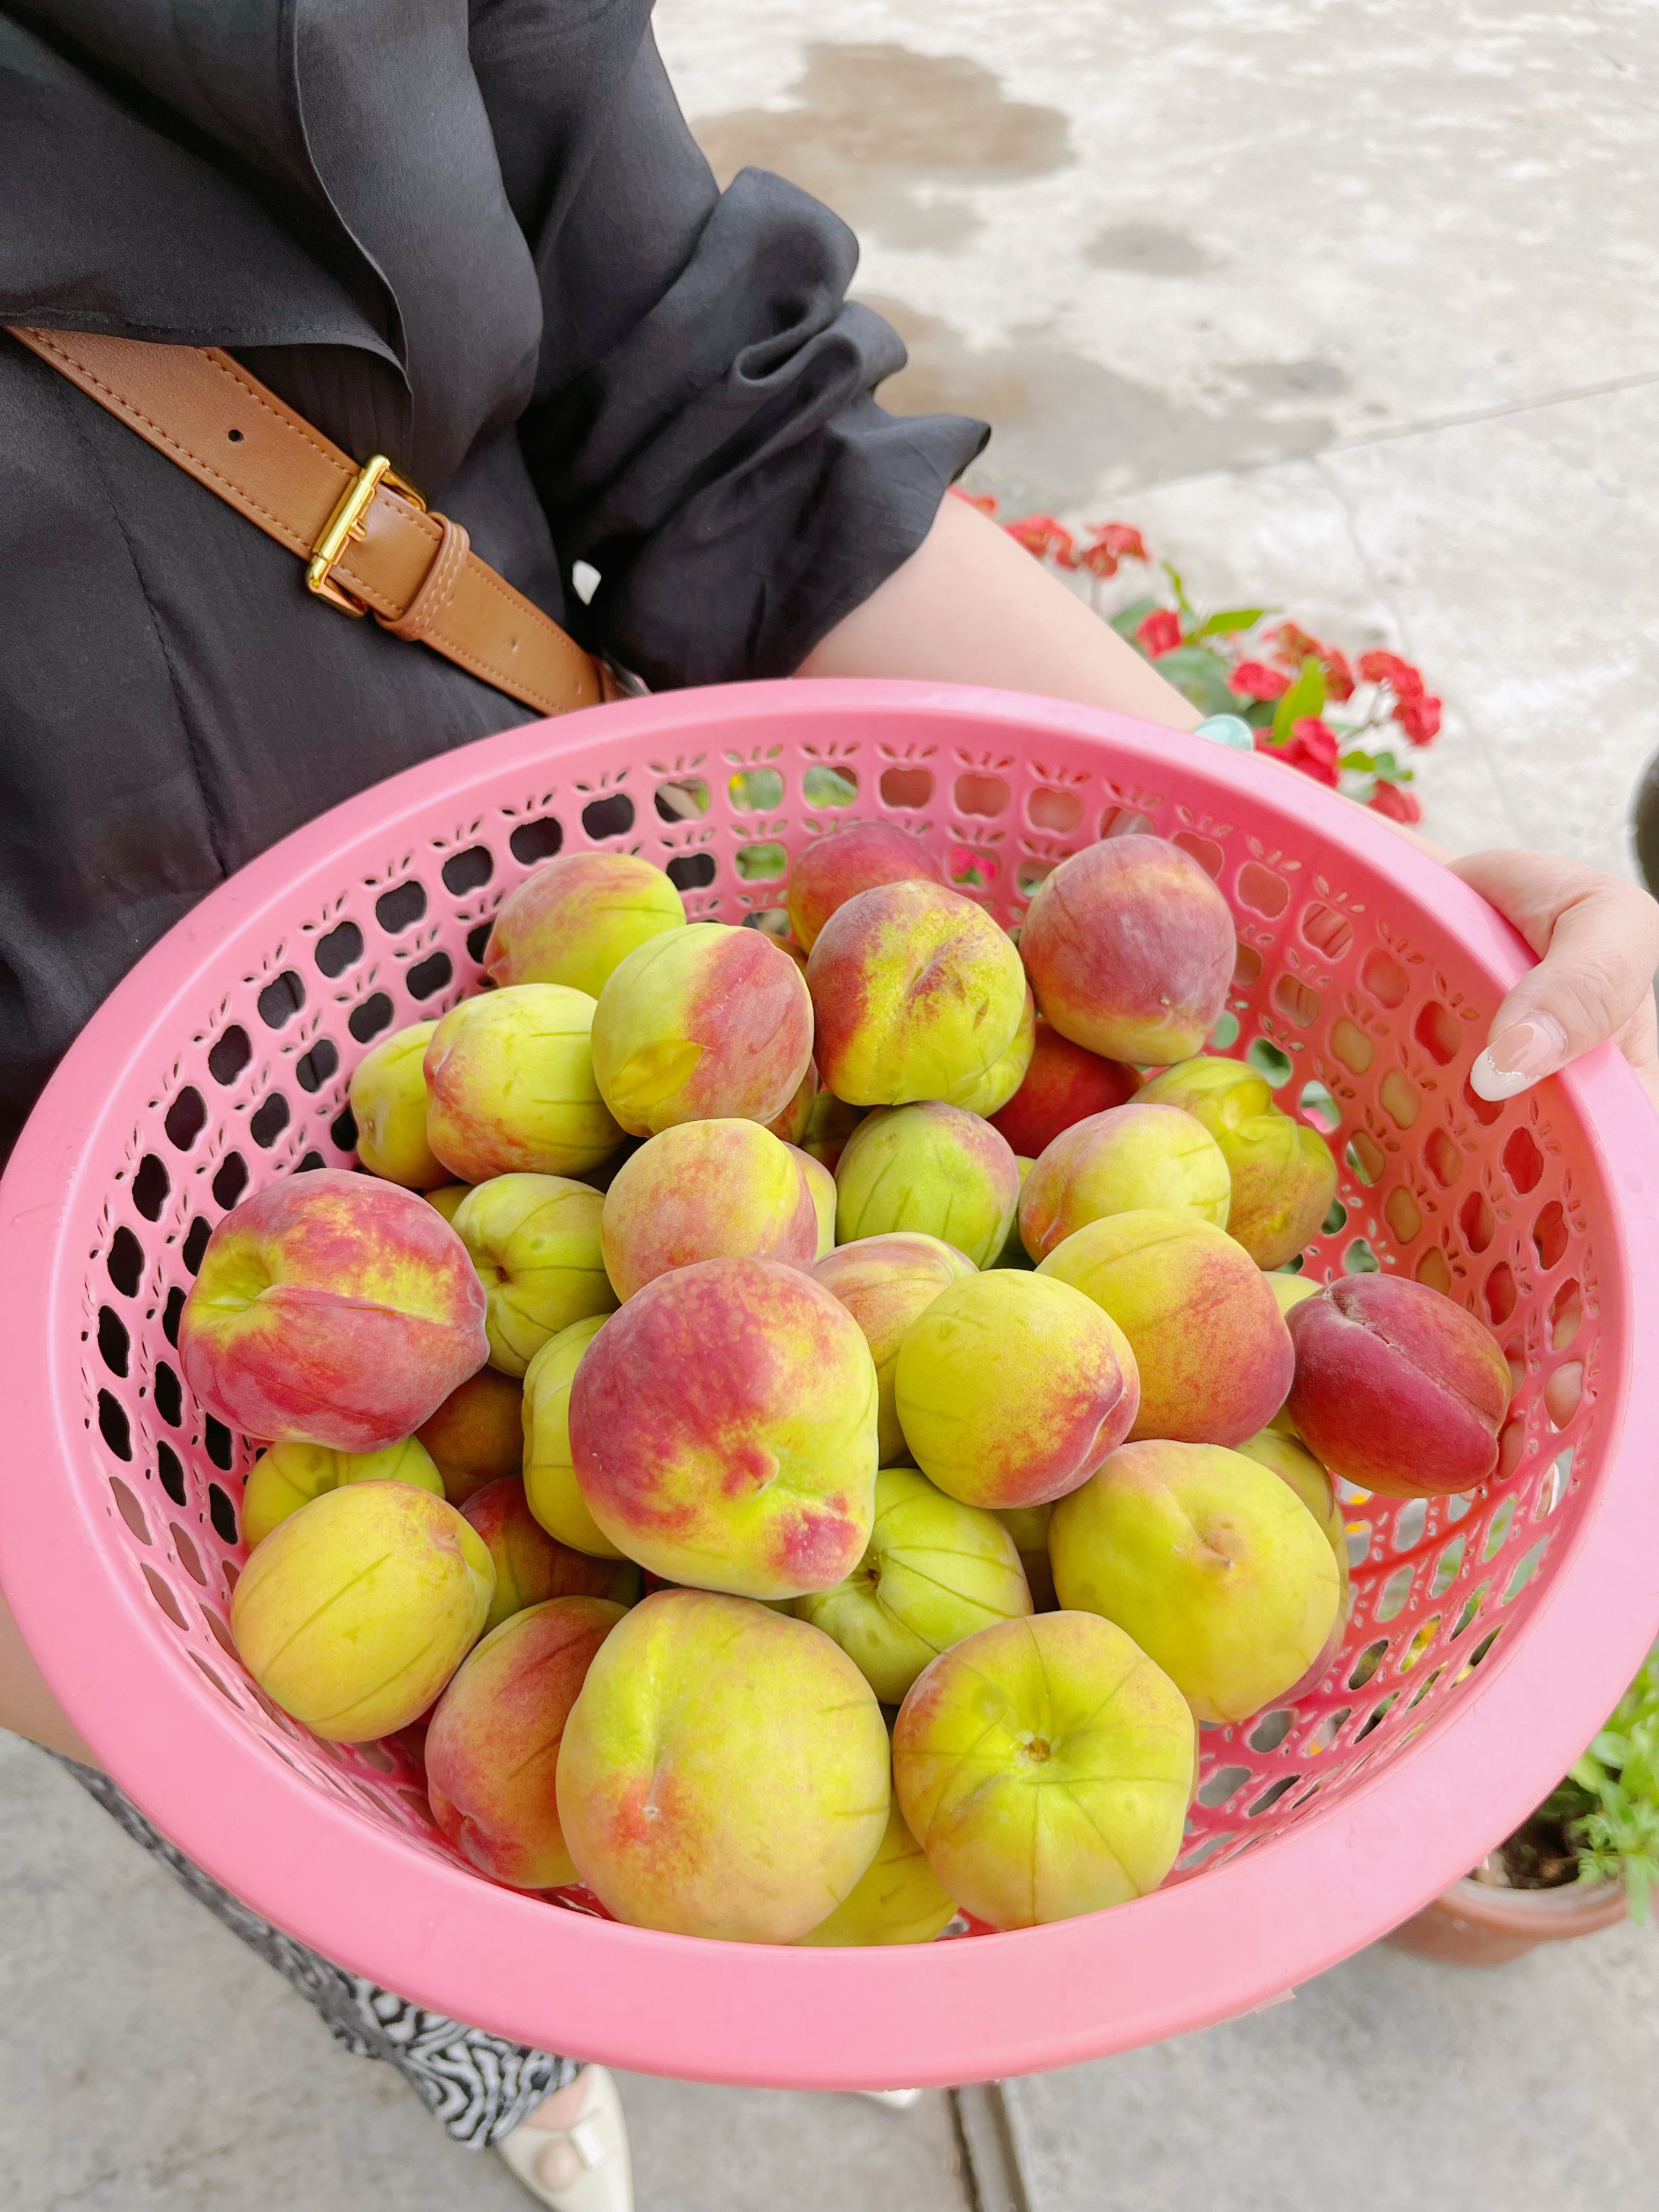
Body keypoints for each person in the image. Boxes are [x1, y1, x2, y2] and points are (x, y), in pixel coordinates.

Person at [2, 4, 1657, 2206]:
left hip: (546, 988)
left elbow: (722, 417)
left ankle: (685, 1947)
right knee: (364, 1840)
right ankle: (501, 2059)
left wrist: (1302, 864)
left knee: (602, 1781)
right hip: (97, 1370)